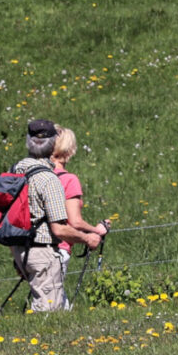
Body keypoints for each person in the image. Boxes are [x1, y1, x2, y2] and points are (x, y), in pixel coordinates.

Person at [10, 119, 101, 312]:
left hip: (20, 247)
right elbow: (61, 227)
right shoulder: (50, 178)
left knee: (58, 307)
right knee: (49, 314)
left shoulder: (17, 170)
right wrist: (89, 237)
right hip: (45, 249)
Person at [50, 125, 110, 305]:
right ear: (68, 151)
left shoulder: (36, 176)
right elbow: (74, 221)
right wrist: (97, 230)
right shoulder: (68, 180)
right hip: (58, 248)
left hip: (31, 250)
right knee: (54, 305)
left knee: (51, 301)